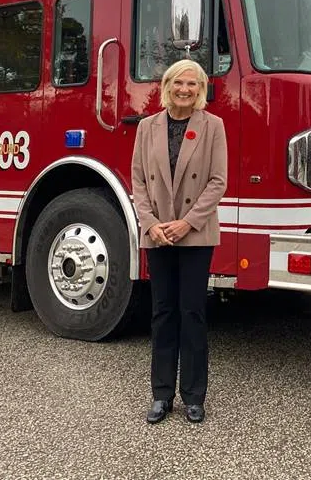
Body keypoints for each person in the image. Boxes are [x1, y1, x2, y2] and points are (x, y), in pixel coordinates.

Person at [131, 59, 228, 424]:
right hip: (158, 235)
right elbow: (138, 181)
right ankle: (160, 395)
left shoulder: (213, 126)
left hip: (195, 234)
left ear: (200, 88)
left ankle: (193, 396)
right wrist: (151, 224)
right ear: (167, 85)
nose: (184, 89)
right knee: (162, 312)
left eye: (192, 84)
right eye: (178, 83)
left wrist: (187, 223)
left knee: (192, 313)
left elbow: (218, 181)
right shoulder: (146, 127)